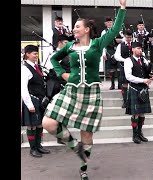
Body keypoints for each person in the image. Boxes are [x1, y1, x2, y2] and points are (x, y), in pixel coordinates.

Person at [41, 1, 126, 179]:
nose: (74, 29)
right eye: (74, 27)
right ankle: (73, 145)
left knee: (86, 133)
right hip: (71, 91)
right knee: (48, 123)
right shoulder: (69, 46)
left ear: (87, 29)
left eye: (77, 26)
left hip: (91, 93)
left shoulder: (97, 44)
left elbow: (115, 29)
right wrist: (63, 75)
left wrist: (122, 8)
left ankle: (83, 166)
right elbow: (55, 60)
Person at [124, 42, 153, 144]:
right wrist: (143, 80)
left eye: (141, 48)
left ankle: (140, 133)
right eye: (138, 48)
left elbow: (152, 70)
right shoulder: (128, 61)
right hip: (135, 88)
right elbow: (128, 76)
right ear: (133, 49)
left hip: (144, 89)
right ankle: (135, 135)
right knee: (135, 114)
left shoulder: (144, 60)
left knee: (142, 113)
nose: (140, 50)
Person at [21, 45, 51, 158]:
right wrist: (29, 104)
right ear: (27, 54)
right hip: (32, 100)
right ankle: (33, 149)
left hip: (40, 100)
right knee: (32, 126)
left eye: (37, 53)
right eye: (34, 53)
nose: (36, 56)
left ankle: (39, 146)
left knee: (39, 124)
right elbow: (23, 87)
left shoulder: (35, 66)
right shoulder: (24, 68)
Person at [101, 17, 123, 90]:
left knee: (119, 69)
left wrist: (120, 40)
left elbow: (123, 40)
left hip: (118, 51)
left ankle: (120, 84)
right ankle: (112, 84)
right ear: (105, 24)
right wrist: (103, 53)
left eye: (111, 22)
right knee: (111, 70)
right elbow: (102, 43)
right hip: (109, 51)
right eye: (108, 22)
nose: (109, 23)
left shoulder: (118, 31)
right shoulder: (104, 32)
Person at [114, 30, 134, 108]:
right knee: (124, 84)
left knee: (133, 84)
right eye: (127, 37)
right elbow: (117, 56)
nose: (129, 39)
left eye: (130, 37)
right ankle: (125, 101)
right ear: (125, 37)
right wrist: (125, 60)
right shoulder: (120, 45)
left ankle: (132, 100)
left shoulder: (135, 44)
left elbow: (141, 53)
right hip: (124, 66)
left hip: (134, 66)